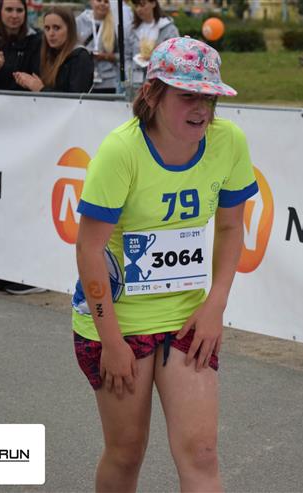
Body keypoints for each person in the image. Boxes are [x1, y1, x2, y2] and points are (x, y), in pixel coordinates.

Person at [72, 37, 257, 491]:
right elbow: (89, 250)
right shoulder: (121, 151)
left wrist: (215, 306)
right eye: (187, 95)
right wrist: (111, 341)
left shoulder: (228, 141)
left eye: (209, 97)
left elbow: (231, 227)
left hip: (186, 317)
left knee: (202, 452)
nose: (201, 109)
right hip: (118, 322)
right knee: (126, 452)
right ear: (152, 94)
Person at [14, 6, 94, 93]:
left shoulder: (80, 57)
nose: (51, 33)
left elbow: (76, 98)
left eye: (56, 28)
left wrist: (40, 89)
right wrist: (27, 83)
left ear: (70, 29)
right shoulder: (46, 53)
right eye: (47, 28)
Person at [0, 0, 41, 90]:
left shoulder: (36, 40)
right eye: (9, 10)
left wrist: (3, 68)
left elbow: (37, 81)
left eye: (19, 10)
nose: (14, 16)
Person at [127, 0, 178, 85]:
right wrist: (129, 76)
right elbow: (127, 55)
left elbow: (175, 55)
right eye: (136, 6)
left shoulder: (169, 28)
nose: (139, 9)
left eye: (142, 4)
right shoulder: (132, 29)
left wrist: (157, 56)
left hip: (160, 81)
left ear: (153, 3)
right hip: (136, 82)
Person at [76, 0, 120, 93]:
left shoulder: (114, 25)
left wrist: (106, 56)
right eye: (99, 0)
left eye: (106, 1)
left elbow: (121, 55)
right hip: (83, 77)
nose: (102, 4)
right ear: (91, 2)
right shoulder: (79, 22)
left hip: (107, 80)